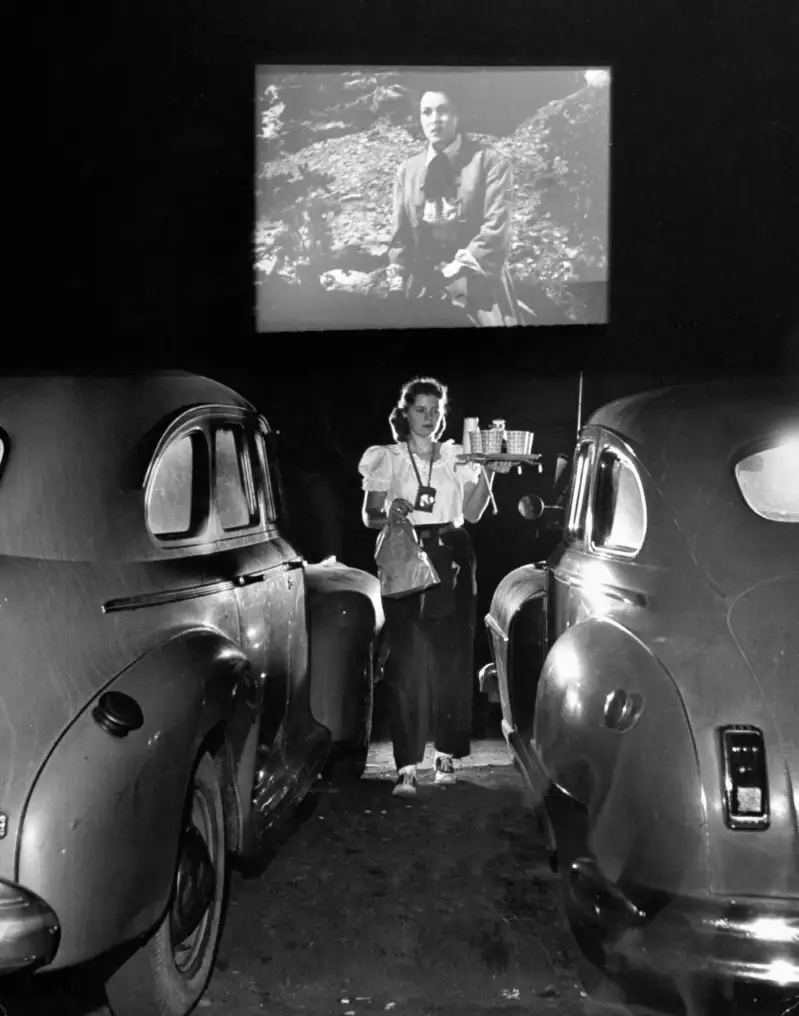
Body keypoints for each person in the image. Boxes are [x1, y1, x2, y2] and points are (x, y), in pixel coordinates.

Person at [359, 376, 509, 797]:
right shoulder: (386, 457)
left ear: (444, 414)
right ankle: (406, 765)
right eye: (420, 409)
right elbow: (370, 515)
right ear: (405, 412)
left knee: (453, 659)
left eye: (435, 410)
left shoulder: (459, 455)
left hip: (453, 554)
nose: (428, 418)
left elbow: (474, 513)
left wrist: (490, 475)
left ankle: (446, 755)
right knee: (406, 665)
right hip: (406, 555)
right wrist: (392, 512)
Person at [385, 81, 526, 327]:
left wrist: (452, 273)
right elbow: (400, 237)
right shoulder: (407, 171)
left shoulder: (491, 163)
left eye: (443, 110)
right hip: (423, 282)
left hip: (477, 281)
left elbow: (495, 231)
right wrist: (398, 280)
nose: (434, 119)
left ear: (458, 114)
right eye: (426, 112)